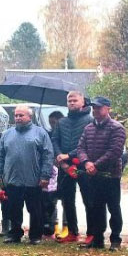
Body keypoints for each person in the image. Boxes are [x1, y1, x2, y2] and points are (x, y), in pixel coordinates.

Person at [0, 105, 54, 245]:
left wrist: (45, 175)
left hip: (33, 180)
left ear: (29, 116)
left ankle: (35, 236)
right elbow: (0, 156)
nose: (18, 118)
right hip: (12, 180)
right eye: (16, 115)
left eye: (21, 115)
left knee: (35, 209)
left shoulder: (40, 133)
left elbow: (48, 155)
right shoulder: (7, 134)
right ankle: (14, 234)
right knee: (14, 208)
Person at [75, 96, 128, 251]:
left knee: (113, 207)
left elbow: (115, 152)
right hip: (93, 175)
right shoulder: (88, 128)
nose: (95, 110)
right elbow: (80, 148)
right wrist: (86, 163)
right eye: (94, 107)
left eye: (98, 107)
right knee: (96, 207)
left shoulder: (117, 128)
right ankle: (97, 239)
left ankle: (115, 240)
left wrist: (95, 165)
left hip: (110, 175)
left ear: (107, 109)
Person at [52, 91, 92, 243]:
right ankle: (72, 232)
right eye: (70, 101)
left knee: (89, 200)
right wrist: (60, 159)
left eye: (75, 100)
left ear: (83, 102)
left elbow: (87, 143)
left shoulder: (89, 120)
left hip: (83, 165)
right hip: (64, 167)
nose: (72, 103)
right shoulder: (61, 122)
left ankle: (91, 232)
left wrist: (68, 155)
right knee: (67, 200)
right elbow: (55, 140)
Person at [42, 111, 64, 239]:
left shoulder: (64, 134)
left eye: (54, 122)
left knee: (65, 201)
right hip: (51, 171)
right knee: (50, 200)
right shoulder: (48, 134)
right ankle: (52, 226)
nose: (52, 125)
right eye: (50, 123)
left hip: (64, 168)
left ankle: (66, 227)